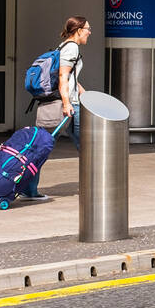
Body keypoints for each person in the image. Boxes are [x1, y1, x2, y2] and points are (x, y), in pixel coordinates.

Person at [29, 16, 91, 199]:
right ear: (78, 30)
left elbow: (71, 78)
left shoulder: (62, 46)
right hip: (69, 106)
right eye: (87, 28)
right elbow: (63, 78)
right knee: (87, 146)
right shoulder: (72, 47)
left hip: (71, 103)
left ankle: (29, 188)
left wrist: (85, 95)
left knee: (42, 146)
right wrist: (66, 103)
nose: (90, 32)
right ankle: (95, 185)